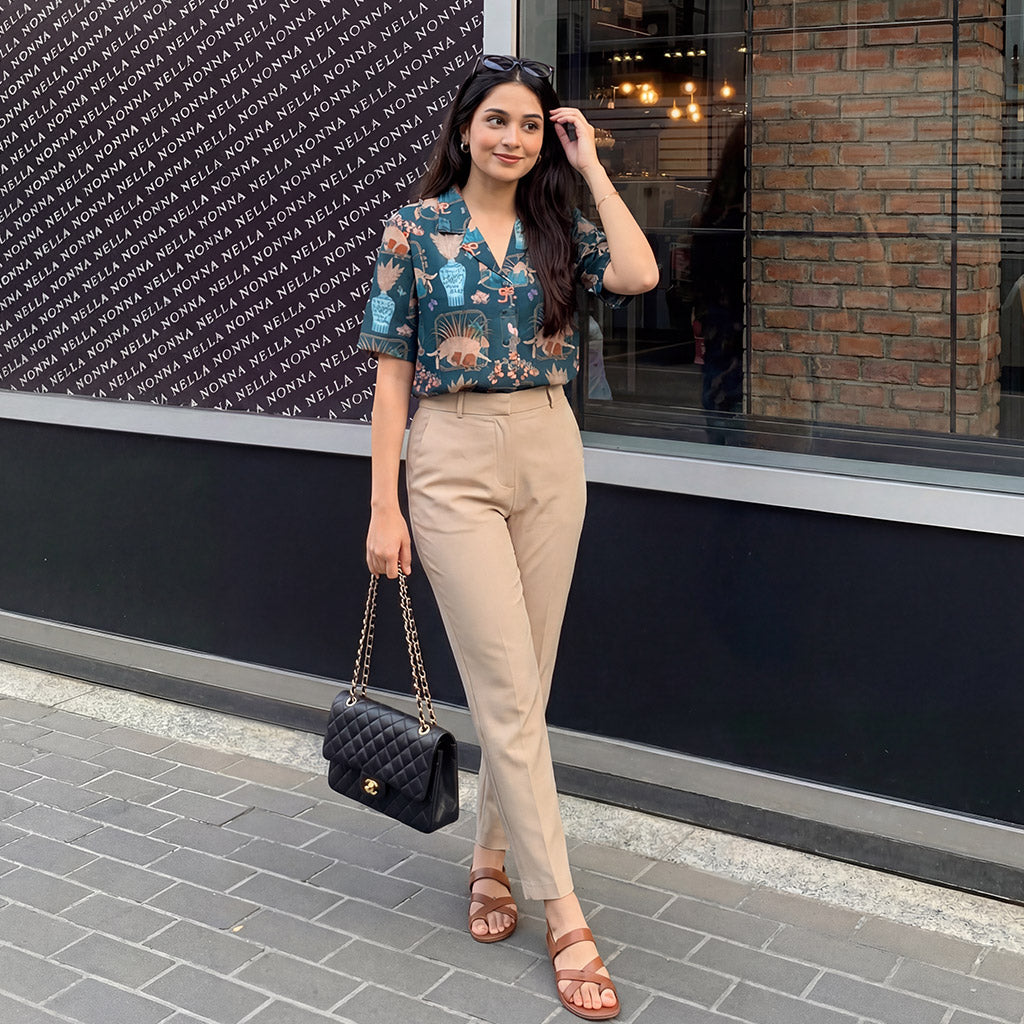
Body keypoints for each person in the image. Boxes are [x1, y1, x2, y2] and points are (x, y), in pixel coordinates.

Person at [356, 54, 658, 1020]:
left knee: (526, 683)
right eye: (498, 121)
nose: (513, 140)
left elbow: (645, 272)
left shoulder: (559, 223)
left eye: (530, 126)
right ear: (464, 127)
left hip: (548, 444)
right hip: (449, 456)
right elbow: (392, 376)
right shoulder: (416, 228)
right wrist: (383, 504)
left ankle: (490, 861)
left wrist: (592, 163)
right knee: (504, 686)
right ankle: (564, 911)